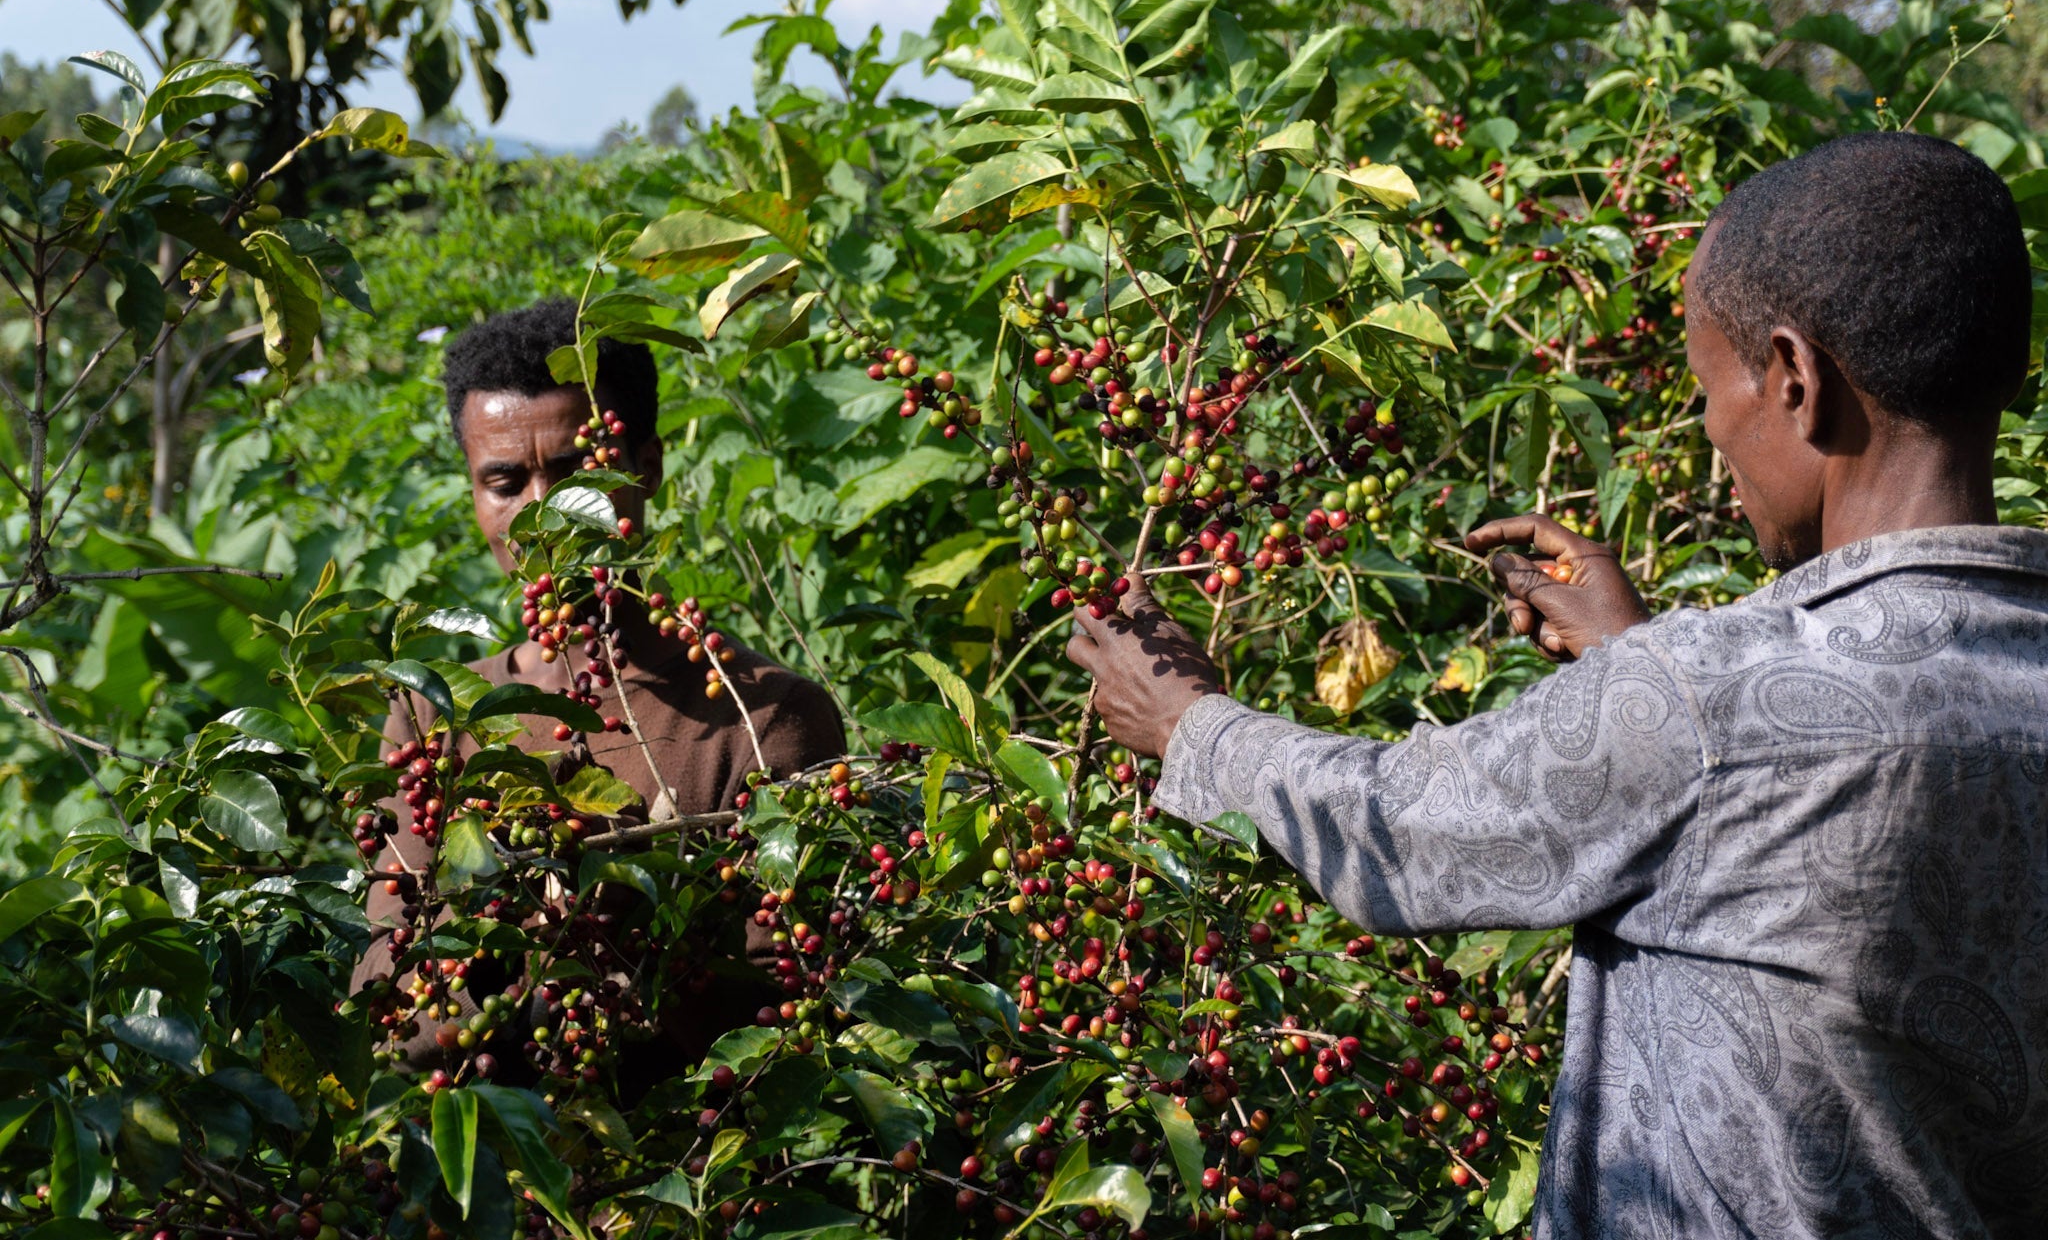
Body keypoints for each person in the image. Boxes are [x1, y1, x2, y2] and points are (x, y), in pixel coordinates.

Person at [1066, 132, 2047, 1238]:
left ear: (1792, 379)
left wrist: (1187, 724)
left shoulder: (1705, 702)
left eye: (1707, 387)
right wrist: (1638, 663)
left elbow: (1400, 831)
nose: (1709, 432)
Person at [354, 297, 845, 1076]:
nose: (543, 513)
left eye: (579, 470)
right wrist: (508, 938)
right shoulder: (431, 717)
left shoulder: (762, 716)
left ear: (642, 469)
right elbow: (394, 1007)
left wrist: (631, 927)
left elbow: (786, 1013)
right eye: (505, 482)